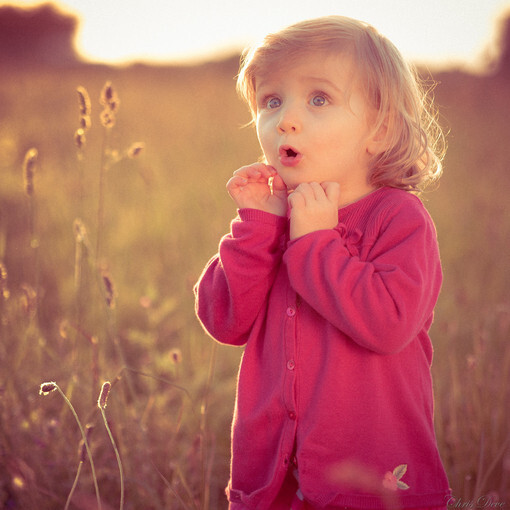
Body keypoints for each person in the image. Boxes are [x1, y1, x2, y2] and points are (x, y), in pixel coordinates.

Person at [194, 15, 451, 510]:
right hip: (274, 481)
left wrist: (315, 243)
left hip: (373, 484)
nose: (286, 118)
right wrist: (255, 228)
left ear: (380, 128)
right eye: (272, 101)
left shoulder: (398, 218)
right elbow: (224, 320)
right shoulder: (273, 221)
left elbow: (389, 324)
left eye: (319, 98)